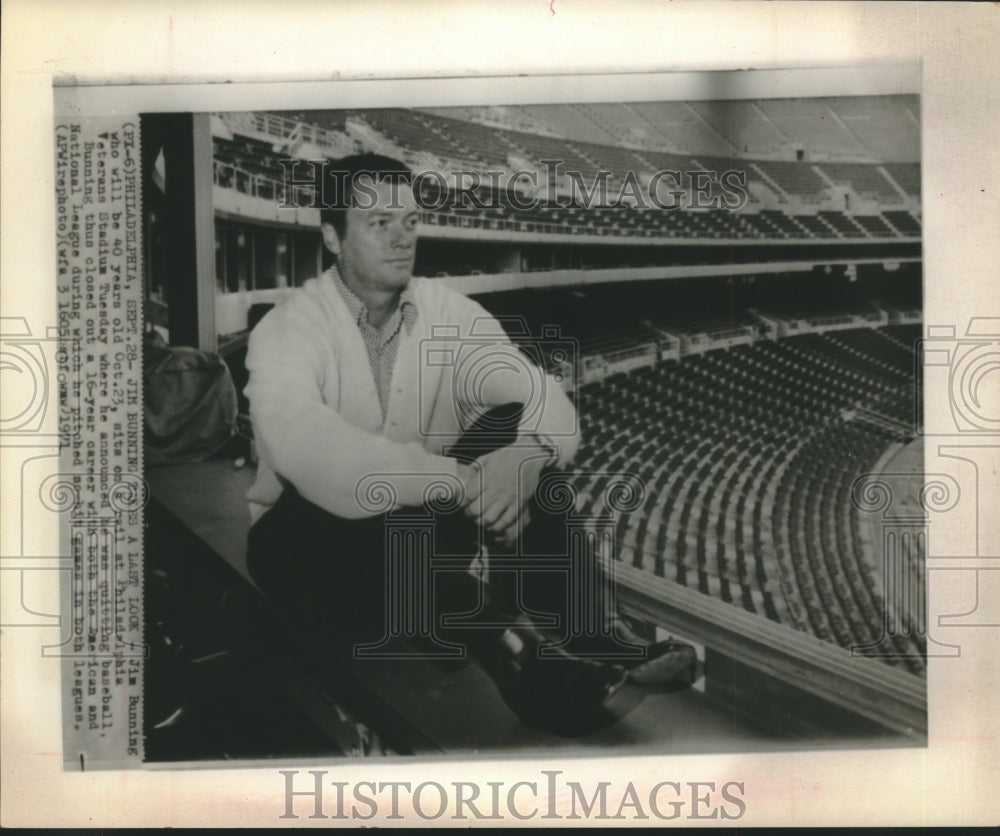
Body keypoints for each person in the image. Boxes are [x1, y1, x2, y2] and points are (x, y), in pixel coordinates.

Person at [244, 153, 694, 737]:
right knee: (361, 504)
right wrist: (467, 480)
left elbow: (544, 397)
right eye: (379, 222)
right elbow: (325, 464)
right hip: (316, 555)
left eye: (410, 220)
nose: (403, 238)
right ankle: (518, 656)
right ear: (332, 235)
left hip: (424, 543)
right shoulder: (289, 327)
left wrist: (527, 456)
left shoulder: (446, 310)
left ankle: (586, 627)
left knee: (522, 439)